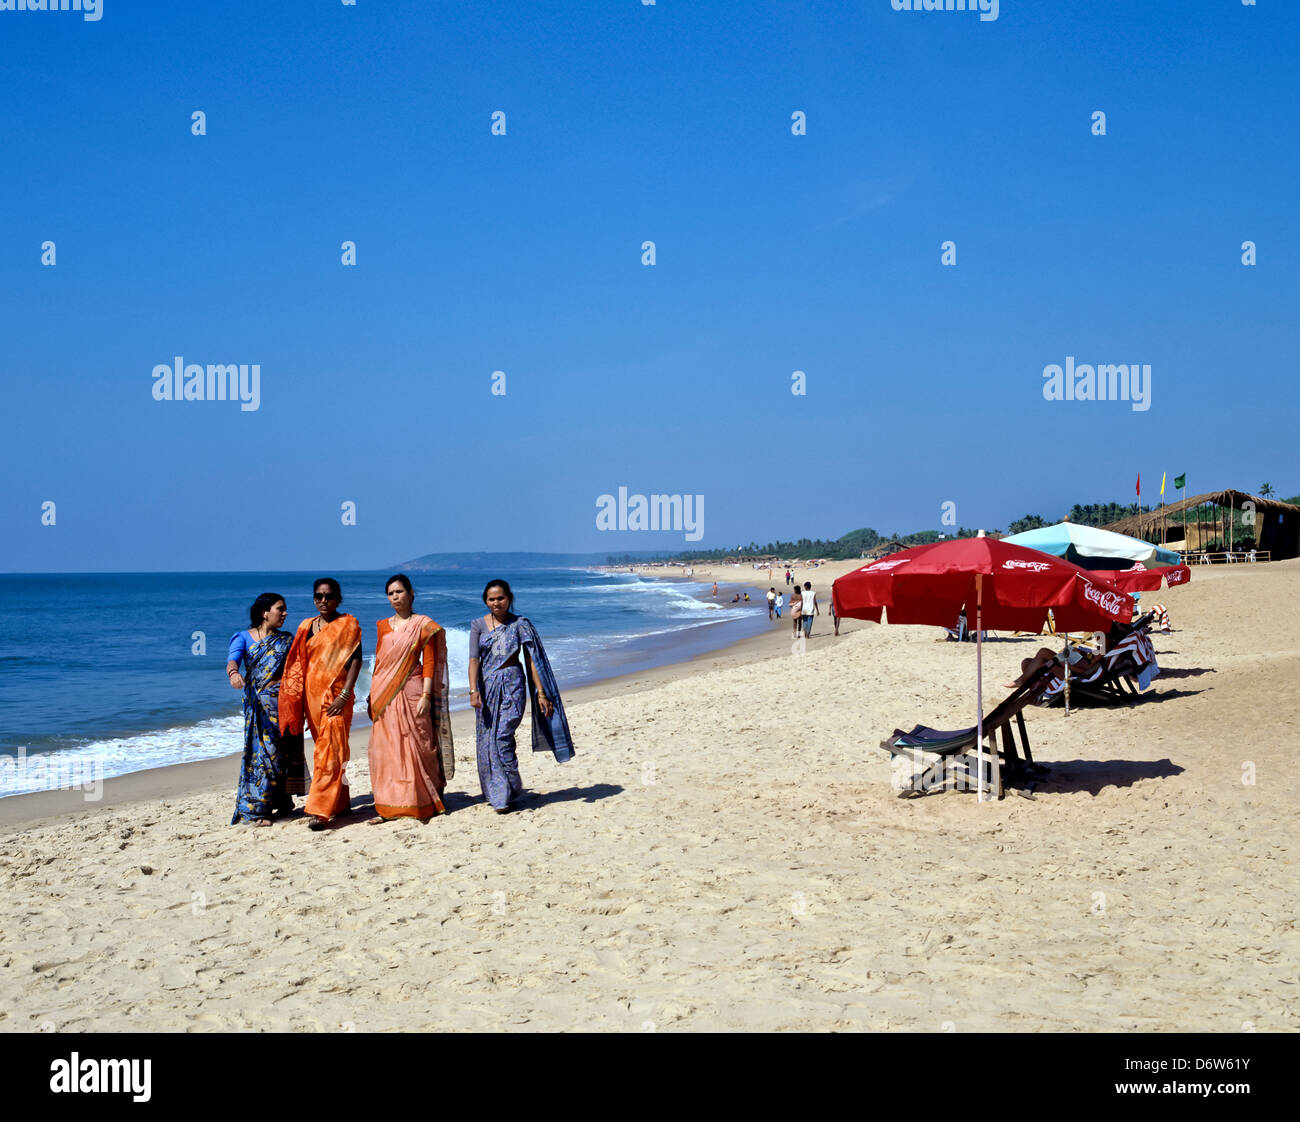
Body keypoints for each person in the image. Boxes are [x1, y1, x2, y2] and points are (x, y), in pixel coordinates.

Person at [469, 580, 574, 813]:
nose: (496, 603)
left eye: (500, 598)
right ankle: (501, 793)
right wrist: (473, 690)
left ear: (509, 598)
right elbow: (474, 660)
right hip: (486, 688)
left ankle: (510, 787)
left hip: (513, 685)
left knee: (503, 736)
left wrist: (541, 693)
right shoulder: (477, 625)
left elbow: (531, 661)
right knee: (487, 740)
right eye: (491, 599)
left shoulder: (520, 624)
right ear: (485, 601)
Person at [366, 574, 454, 823]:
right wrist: (373, 693)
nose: (395, 597)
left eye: (400, 592)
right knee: (389, 748)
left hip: (414, 689)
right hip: (384, 693)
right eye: (391, 593)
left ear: (411, 593)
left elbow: (429, 662)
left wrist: (427, 694)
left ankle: (422, 801)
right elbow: (380, 662)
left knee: (419, 743)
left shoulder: (423, 624)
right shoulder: (382, 625)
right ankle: (390, 805)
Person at [280, 578, 362, 830]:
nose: (323, 601)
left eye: (329, 596)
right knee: (329, 753)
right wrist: (294, 703)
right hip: (311, 700)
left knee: (330, 752)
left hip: (337, 699)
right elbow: (297, 664)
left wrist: (345, 695)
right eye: (319, 596)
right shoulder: (306, 626)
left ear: (338, 598)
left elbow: (356, 661)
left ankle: (321, 811)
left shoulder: (348, 625)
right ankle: (341, 801)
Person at [226, 593, 306, 826]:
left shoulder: (286, 640)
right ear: (264, 613)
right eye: (280, 609)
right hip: (257, 708)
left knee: (282, 755)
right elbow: (233, 660)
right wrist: (233, 674)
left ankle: (281, 803)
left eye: (285, 609)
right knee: (261, 756)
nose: (285, 613)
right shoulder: (242, 637)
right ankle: (256, 810)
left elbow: (299, 669)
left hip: (283, 706)